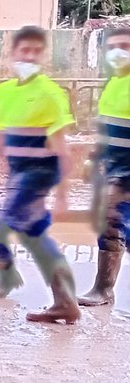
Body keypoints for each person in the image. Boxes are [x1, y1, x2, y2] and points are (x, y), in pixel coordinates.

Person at [0, 25, 79, 323]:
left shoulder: (50, 94)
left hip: (37, 176)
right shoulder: (5, 93)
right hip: (18, 177)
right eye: (25, 50)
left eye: (36, 51)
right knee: (36, 237)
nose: (30, 56)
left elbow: (62, 148)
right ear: (12, 54)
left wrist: (62, 195)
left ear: (44, 56)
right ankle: (65, 302)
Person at [79, 26, 130, 307]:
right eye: (113, 47)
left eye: (125, 46)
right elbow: (107, 128)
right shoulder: (114, 83)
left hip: (127, 171)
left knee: (110, 222)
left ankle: (103, 290)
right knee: (122, 228)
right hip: (114, 166)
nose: (118, 52)